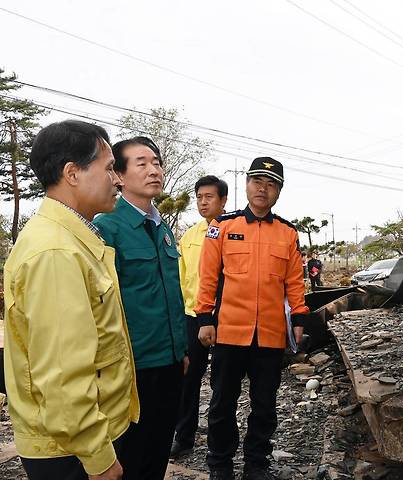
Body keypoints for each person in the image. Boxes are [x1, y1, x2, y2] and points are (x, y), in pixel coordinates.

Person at [3, 120, 139, 480]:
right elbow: (62, 379)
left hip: (84, 437)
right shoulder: (56, 252)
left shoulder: (70, 240)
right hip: (72, 450)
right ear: (72, 173)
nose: (118, 180)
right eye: (109, 168)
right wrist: (98, 457)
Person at [196, 157, 309, 480]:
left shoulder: (287, 233)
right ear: (246, 185)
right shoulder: (223, 226)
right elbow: (208, 277)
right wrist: (205, 317)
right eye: (257, 181)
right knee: (221, 404)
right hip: (229, 331)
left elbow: (294, 283)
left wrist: (299, 318)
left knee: (264, 405)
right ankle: (220, 463)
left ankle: (257, 462)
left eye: (271, 184)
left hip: (270, 334)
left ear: (279, 192)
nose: (263, 188)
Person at [93, 136, 187, 480]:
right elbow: (104, 304)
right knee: (132, 456)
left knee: (159, 449)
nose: (154, 171)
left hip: (171, 362)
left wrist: (181, 349)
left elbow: (172, 294)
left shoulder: (162, 227)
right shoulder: (107, 226)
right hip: (133, 368)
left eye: (157, 163)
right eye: (141, 164)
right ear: (118, 174)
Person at [170, 175, 228, 458]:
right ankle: (184, 437)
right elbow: (181, 278)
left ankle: (220, 441)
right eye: (200, 197)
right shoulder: (189, 236)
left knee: (222, 381)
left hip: (225, 318)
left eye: (210, 197)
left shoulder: (233, 231)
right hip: (193, 316)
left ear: (223, 201)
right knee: (189, 378)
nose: (203, 202)